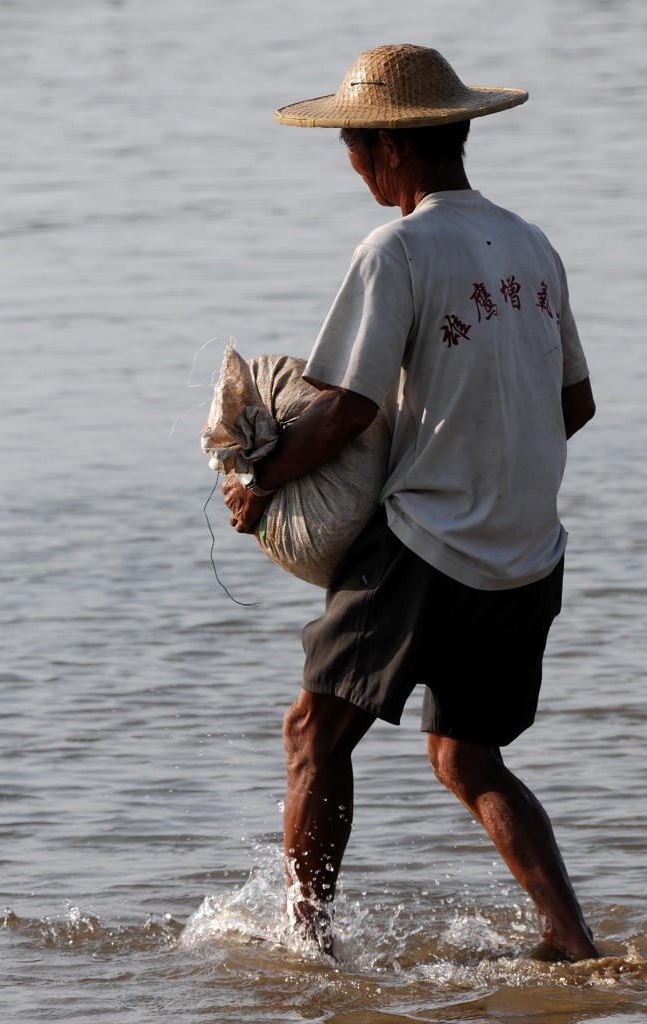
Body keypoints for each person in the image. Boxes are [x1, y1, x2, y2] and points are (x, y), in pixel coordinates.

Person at [221, 44, 599, 962]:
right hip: (528, 552)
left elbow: (344, 409)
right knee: (466, 756)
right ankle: (570, 939)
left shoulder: (396, 249)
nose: (352, 164)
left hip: (429, 544)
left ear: (391, 146)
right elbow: (576, 404)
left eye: (354, 145)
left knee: (312, 732)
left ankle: (303, 948)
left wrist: (260, 482)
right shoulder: (529, 243)